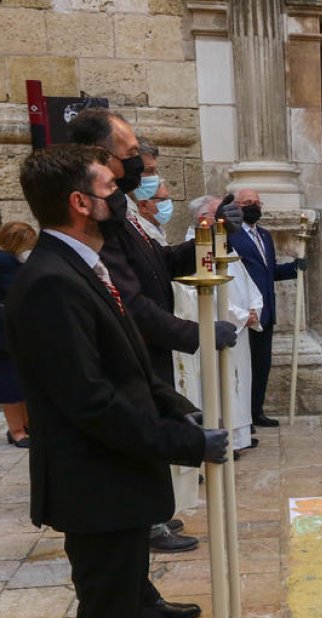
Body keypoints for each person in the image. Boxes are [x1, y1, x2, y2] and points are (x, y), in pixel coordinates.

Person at [5, 144, 229, 618]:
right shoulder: (51, 283)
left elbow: (128, 361)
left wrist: (178, 409)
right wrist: (187, 444)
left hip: (114, 481)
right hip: (94, 486)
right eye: (110, 189)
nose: (123, 197)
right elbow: (92, 400)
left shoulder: (83, 265)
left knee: (120, 613)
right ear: (80, 202)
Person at [69, 108, 239, 557]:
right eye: (132, 156)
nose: (142, 165)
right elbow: (131, 300)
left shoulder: (120, 210)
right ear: (103, 158)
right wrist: (197, 334)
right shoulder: (100, 221)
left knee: (152, 449)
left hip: (146, 353)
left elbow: (156, 266)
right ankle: (147, 531)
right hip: (131, 353)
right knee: (138, 452)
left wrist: (215, 230)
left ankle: (151, 533)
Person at [177, 196, 263, 459]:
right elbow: (204, 292)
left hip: (241, 325)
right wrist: (238, 316)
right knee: (220, 383)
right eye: (220, 213)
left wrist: (254, 309)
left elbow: (245, 281)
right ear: (205, 218)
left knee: (239, 381)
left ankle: (240, 435)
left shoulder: (224, 243)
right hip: (221, 327)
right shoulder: (196, 248)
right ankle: (224, 437)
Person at [228, 188, 305, 428]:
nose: (254, 206)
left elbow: (268, 272)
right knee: (245, 365)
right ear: (237, 207)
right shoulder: (231, 236)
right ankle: (244, 418)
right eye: (247, 202)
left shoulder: (264, 235)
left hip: (267, 311)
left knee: (262, 365)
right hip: (246, 312)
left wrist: (294, 268)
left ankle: (256, 411)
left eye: (257, 203)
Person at [0, 221, 38, 448]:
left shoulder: (4, 260)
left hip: (8, 331)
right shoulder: (2, 263)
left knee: (20, 383)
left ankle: (25, 426)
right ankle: (16, 431)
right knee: (9, 385)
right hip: (2, 334)